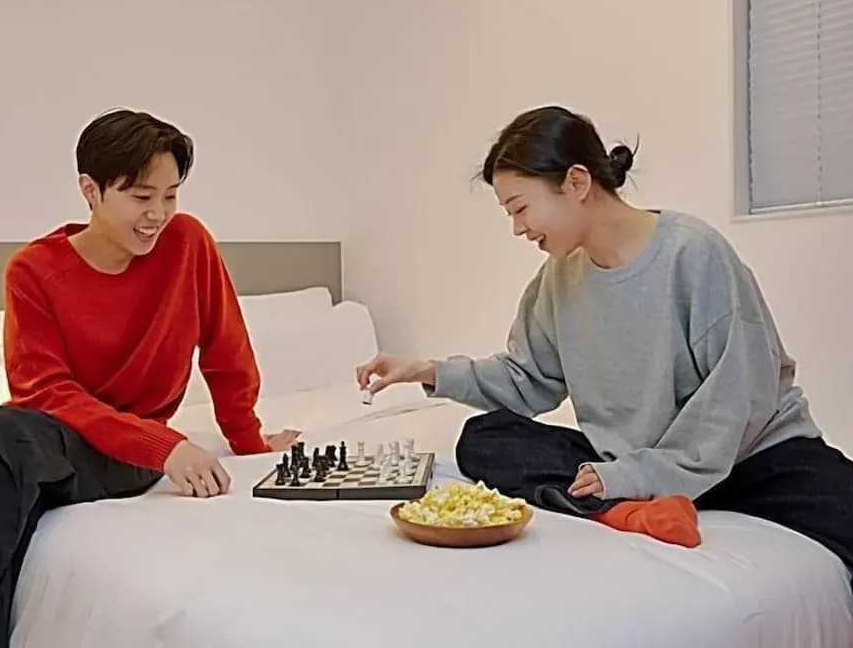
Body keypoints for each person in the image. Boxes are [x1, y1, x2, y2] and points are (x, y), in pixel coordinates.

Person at [0, 109, 301, 646]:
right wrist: (167, 446)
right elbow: (44, 393)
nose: (158, 214)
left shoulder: (188, 244)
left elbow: (226, 352)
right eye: (141, 197)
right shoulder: (33, 270)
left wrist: (249, 442)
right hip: (61, 443)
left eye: (170, 196)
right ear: (90, 190)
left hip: (127, 457)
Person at [357, 105, 853, 586]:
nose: (518, 228)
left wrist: (641, 474)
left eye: (521, 208)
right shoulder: (558, 278)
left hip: (751, 458)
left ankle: (623, 497)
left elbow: (739, 396)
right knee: (485, 439)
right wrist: (427, 371)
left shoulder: (692, 252)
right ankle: (628, 509)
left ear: (576, 182)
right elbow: (527, 378)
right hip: (632, 462)